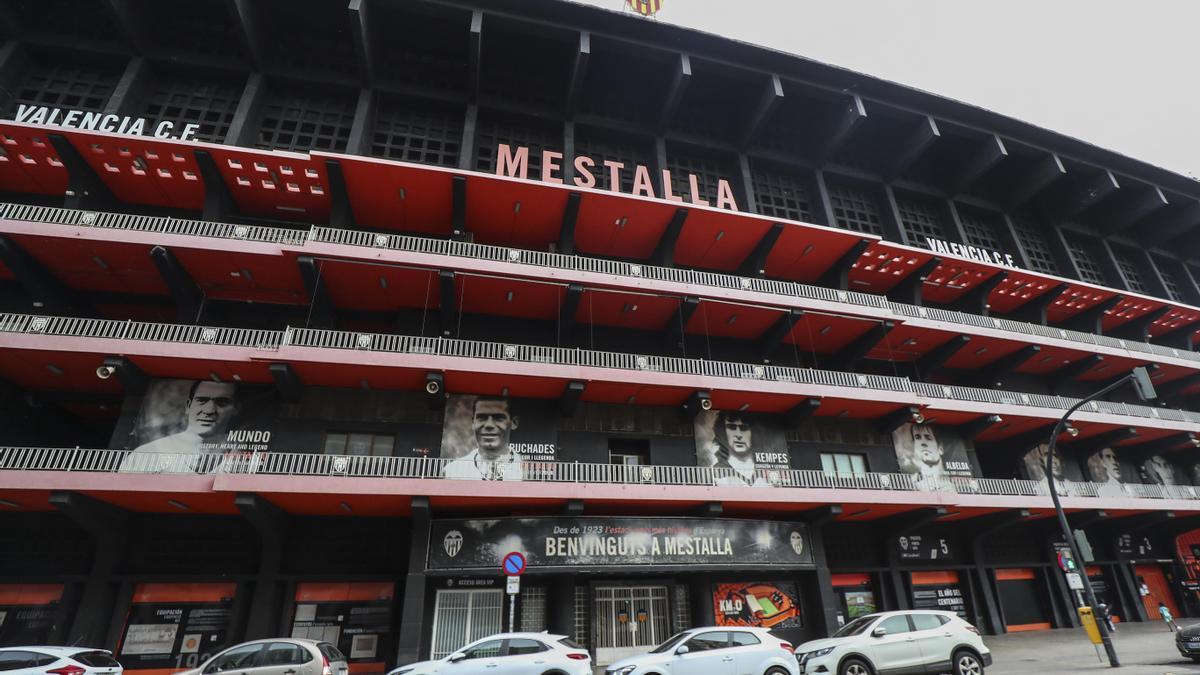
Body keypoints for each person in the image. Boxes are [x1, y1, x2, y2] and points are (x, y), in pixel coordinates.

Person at [120, 380, 239, 473]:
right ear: (188, 405)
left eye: (222, 402)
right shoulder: (147, 452)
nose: (209, 410)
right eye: (201, 401)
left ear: (236, 408)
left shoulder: (244, 454)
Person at [442, 397, 524, 481]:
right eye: (482, 418)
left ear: (514, 422)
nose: (489, 425)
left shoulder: (527, 471)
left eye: (498, 418)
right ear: (473, 423)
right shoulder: (452, 471)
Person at [711, 412, 770, 487]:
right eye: (731, 427)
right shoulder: (716, 472)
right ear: (723, 431)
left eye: (744, 428)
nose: (738, 435)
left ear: (754, 432)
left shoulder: (766, 468)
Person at [907, 424, 952, 491]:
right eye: (917, 438)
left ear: (940, 448)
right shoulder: (912, 481)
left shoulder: (952, 481)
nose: (923, 443)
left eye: (928, 438)